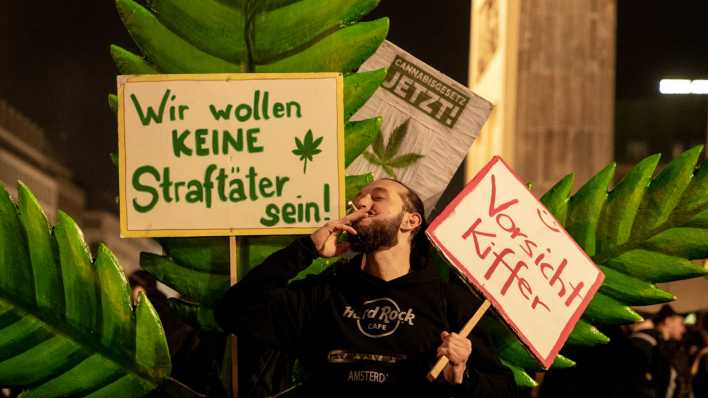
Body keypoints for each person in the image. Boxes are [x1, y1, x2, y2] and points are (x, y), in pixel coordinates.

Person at [215, 178, 517, 397]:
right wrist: (306, 249)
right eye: (359, 199)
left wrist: (462, 377)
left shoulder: (450, 301)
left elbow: (503, 391)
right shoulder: (326, 292)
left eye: (378, 197)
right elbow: (233, 312)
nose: (361, 203)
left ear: (411, 221)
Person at [626, 305, 686, 398]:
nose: (683, 329)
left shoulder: (661, 345)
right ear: (668, 321)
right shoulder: (646, 343)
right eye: (681, 323)